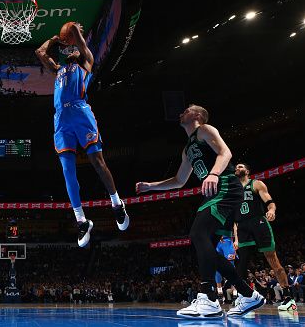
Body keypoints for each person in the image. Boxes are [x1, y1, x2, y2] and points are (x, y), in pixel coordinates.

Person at [135, 105, 265, 318]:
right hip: (214, 191)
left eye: (186, 110)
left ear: (196, 115)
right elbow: (179, 181)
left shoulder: (204, 129)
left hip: (224, 185)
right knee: (209, 250)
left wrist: (213, 173)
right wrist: (152, 186)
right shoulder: (187, 149)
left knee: (198, 233)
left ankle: (209, 298)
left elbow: (226, 152)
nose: (181, 112)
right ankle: (248, 294)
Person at [35, 22, 129, 247]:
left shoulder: (86, 64)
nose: (71, 50)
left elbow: (81, 43)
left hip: (80, 112)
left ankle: (117, 204)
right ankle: (82, 221)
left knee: (97, 161)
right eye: (68, 49)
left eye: (73, 48)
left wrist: (72, 30)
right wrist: (55, 39)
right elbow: (39, 52)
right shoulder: (57, 69)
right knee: (67, 170)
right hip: (60, 119)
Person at [233, 162, 297, 312]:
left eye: (241, 167)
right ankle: (245, 298)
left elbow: (270, 202)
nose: (237, 168)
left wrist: (272, 211)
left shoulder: (256, 184)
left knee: (272, 258)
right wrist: (235, 238)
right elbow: (234, 219)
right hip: (242, 226)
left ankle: (288, 298)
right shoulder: (233, 190)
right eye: (236, 167)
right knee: (242, 262)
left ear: (247, 171)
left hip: (258, 222)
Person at [215, 235, 237, 303]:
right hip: (217, 241)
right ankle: (220, 296)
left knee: (231, 268)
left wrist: (236, 240)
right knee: (217, 269)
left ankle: (235, 297)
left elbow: (235, 227)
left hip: (227, 241)